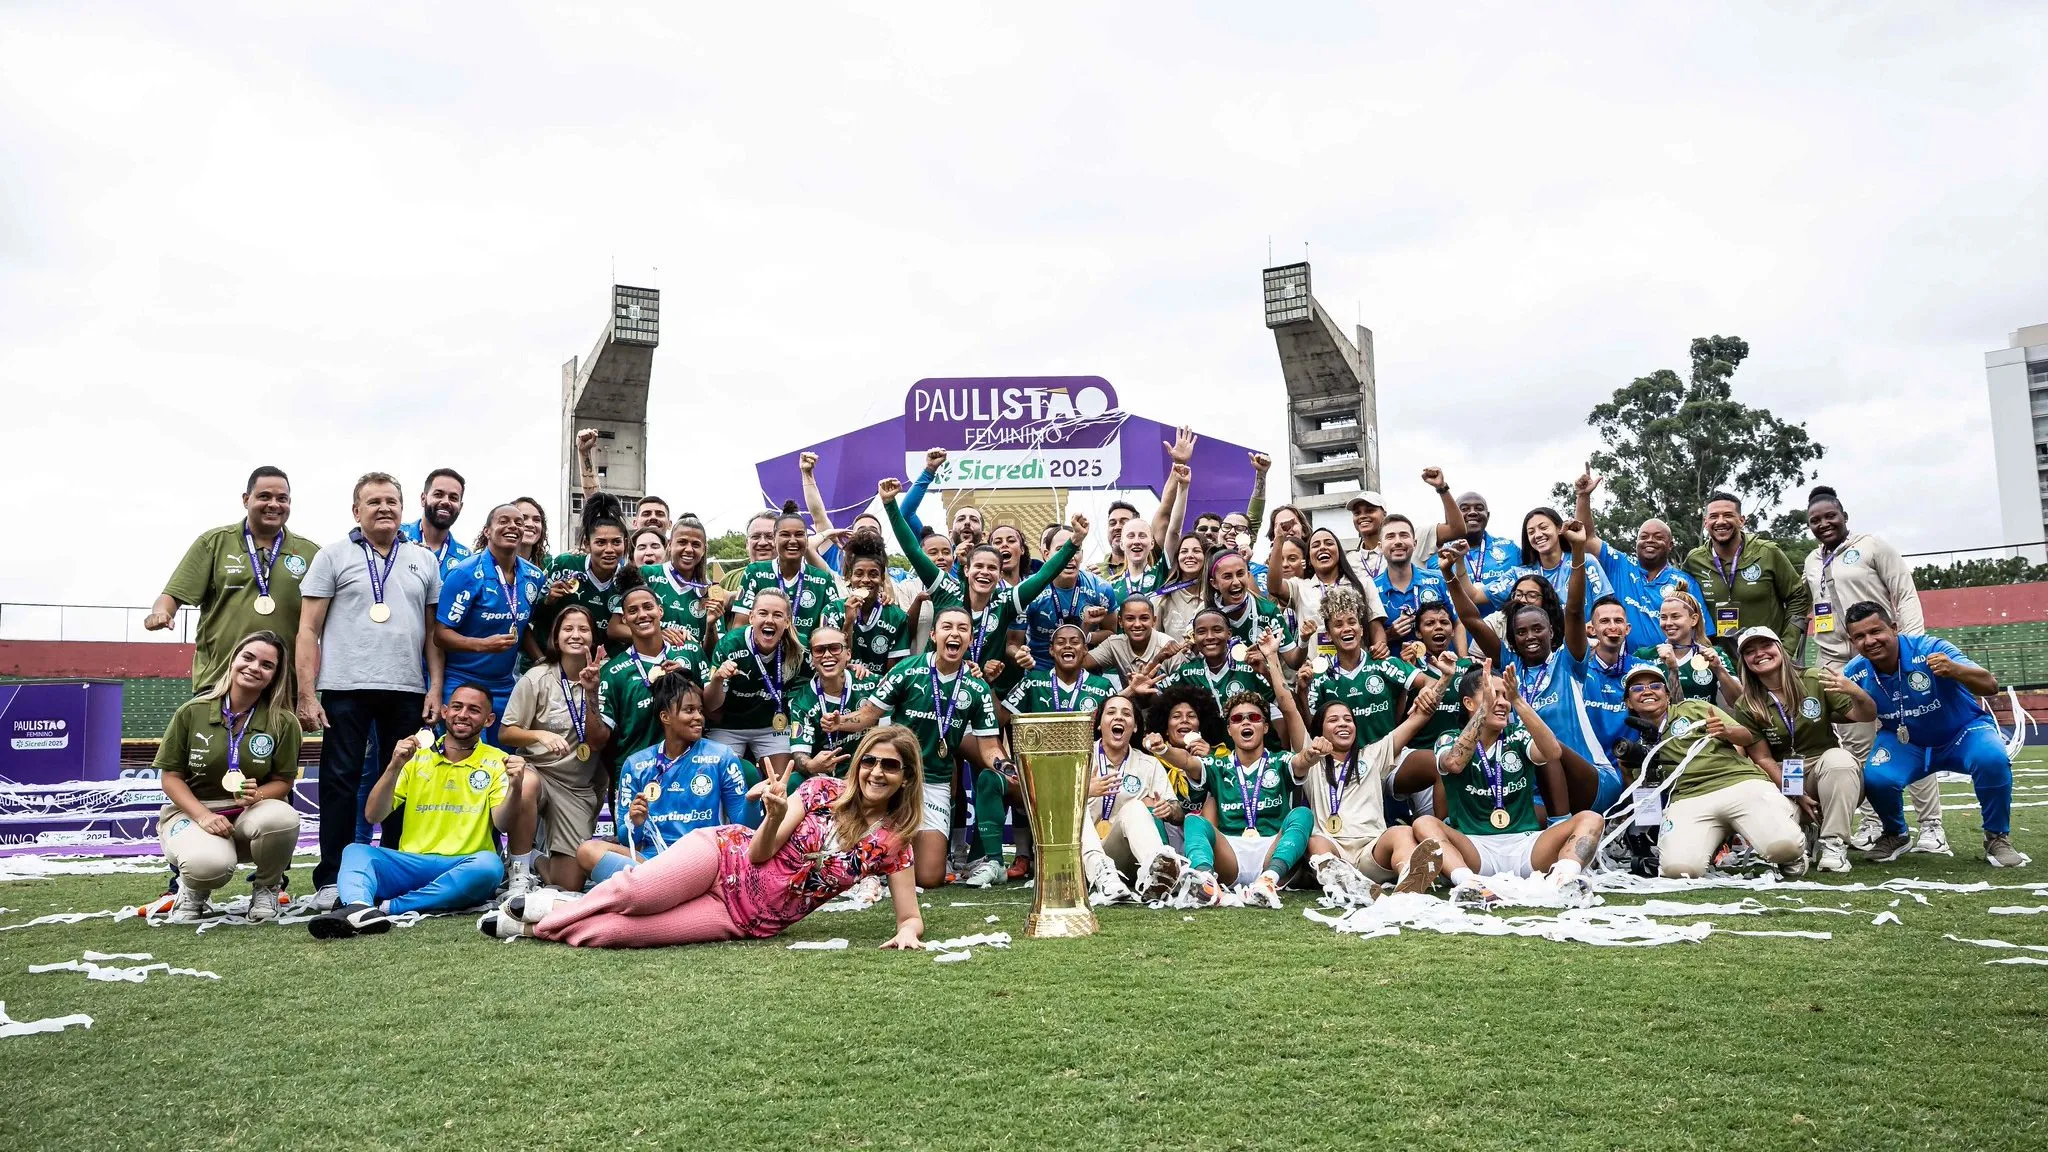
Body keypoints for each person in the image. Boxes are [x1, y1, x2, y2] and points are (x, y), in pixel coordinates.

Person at [489, 727, 926, 950]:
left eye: (890, 766)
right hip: (723, 855)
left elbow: (910, 915)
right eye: (870, 761)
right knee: (637, 893)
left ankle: (533, 925)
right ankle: (551, 907)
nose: (876, 772)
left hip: (747, 919)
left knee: (615, 935)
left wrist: (908, 931)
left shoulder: (893, 844)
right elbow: (760, 853)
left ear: (906, 778)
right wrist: (772, 817)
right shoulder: (820, 791)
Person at [295, 473, 444, 909]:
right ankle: (332, 877)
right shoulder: (333, 555)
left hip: (406, 688)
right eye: (374, 501)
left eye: (392, 501)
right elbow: (307, 629)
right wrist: (307, 692)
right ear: (355, 511)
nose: (384, 508)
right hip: (346, 686)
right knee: (339, 781)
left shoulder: (423, 559)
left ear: (403, 508)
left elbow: (433, 634)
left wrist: (434, 687)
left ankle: (392, 869)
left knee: (401, 780)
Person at [309, 684, 523, 938]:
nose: (463, 714)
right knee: (355, 851)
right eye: (457, 707)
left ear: (488, 720)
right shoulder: (416, 756)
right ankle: (358, 905)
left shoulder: (496, 760)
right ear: (444, 712)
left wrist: (516, 787)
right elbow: (373, 815)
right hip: (410, 864)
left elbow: (503, 824)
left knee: (489, 867)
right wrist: (394, 765)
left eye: (474, 710)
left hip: (464, 863)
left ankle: (386, 907)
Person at [1803, 485, 1945, 853]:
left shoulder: (1872, 546)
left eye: (1830, 516)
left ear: (1844, 516)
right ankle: (1874, 823)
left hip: (1884, 656)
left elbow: (1905, 594)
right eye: (1815, 520)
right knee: (1856, 745)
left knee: (1908, 736)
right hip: (1837, 662)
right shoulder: (1811, 561)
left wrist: (1911, 648)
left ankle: (1931, 827)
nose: (1824, 523)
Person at [830, 606, 1005, 888]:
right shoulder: (907, 670)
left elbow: (988, 746)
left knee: (930, 878)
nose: (955, 633)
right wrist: (841, 721)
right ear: (934, 634)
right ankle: (879, 850)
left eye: (963, 629)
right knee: (861, 864)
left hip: (935, 782)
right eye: (947, 627)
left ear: (971, 640)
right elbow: (870, 714)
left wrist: (1003, 765)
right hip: (895, 779)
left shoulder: (976, 687)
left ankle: (897, 856)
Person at [1843, 603, 2028, 867]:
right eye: (1859, 637)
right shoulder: (1855, 672)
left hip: (1962, 733)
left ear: (1894, 628)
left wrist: (1955, 670)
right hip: (1906, 741)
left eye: (1876, 631)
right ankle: (1896, 834)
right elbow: (1839, 711)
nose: (1869, 641)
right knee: (1875, 776)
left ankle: (1997, 836)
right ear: (1852, 641)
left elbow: (1990, 685)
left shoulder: (1931, 649)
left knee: (1992, 758)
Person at [1445, 532, 1614, 814]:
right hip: (1536, 788)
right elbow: (1472, 620)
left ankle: (1562, 822)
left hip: (1589, 780)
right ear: (1512, 637)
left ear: (1550, 630)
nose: (1530, 636)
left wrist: (1578, 549)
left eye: (1537, 629)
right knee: (1518, 818)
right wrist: (1449, 574)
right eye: (1521, 632)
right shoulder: (1510, 664)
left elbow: (1573, 611)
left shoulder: (1568, 660)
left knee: (1544, 739)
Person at [1411, 666, 1607, 902]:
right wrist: (1484, 711)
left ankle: (1563, 880)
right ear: (1468, 703)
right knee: (1424, 823)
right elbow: (1454, 763)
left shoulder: (1517, 735)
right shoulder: (1449, 737)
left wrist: (1519, 701)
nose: (1502, 702)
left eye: (1506, 696)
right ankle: (1468, 884)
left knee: (1591, 819)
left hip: (1526, 846)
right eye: (1493, 695)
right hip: (1475, 847)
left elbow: (1552, 752)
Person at [882, 477, 1087, 699]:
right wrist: (890, 504)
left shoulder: (1007, 600)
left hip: (977, 693)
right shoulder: (945, 588)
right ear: (966, 569)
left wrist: (1074, 542)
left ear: (1000, 574)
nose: (984, 572)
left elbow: (1045, 575)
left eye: (992, 568)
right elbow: (913, 549)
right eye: (978, 566)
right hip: (933, 690)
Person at [153, 632, 303, 921]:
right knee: (209, 865)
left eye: (266, 665)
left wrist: (257, 795)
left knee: (282, 817)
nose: (254, 667)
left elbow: (284, 782)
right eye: (248, 657)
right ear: (233, 660)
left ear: (275, 676)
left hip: (250, 812)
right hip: (196, 812)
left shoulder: (284, 722)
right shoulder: (192, 712)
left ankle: (267, 887)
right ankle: (193, 888)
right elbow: (171, 777)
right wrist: (203, 816)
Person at [1617, 663, 1807, 879]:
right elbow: (1644, 794)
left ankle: (1787, 826)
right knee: (1679, 870)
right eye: (1637, 688)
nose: (1648, 691)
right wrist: (1627, 768)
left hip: (1737, 783)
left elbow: (1746, 736)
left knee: (1783, 847)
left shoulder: (1693, 708)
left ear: (1668, 694)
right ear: (1628, 703)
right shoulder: (1635, 745)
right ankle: (1717, 839)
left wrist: (1726, 731)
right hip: (1689, 798)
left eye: (1655, 685)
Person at [147, 466, 323, 690]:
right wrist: (161, 613)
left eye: (282, 498)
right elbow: (171, 596)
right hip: (218, 681)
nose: (274, 504)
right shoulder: (214, 542)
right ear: (246, 499)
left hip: (282, 687)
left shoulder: (312, 553)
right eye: (264, 496)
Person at [1178, 635, 1315, 908]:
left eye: (1254, 718)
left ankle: (1268, 882)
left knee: (1302, 814)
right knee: (1194, 822)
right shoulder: (1219, 764)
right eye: (1237, 719)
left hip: (1272, 851)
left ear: (1265, 726)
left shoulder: (1280, 760)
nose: (1246, 723)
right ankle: (1206, 882)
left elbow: (1299, 759)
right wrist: (1161, 750)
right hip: (1232, 853)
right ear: (1229, 729)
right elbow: (1189, 763)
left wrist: (1310, 756)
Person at [578, 675, 754, 888]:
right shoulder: (636, 765)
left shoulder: (721, 756)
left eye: (700, 710)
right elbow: (626, 840)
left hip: (703, 860)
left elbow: (745, 828)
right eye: (689, 710)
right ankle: (662, 890)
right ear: (665, 717)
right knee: (587, 852)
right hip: (653, 861)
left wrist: (753, 801)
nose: (698, 717)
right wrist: (636, 822)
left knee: (634, 881)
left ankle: (648, 891)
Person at [1726, 627, 1876, 873]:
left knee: (1840, 760)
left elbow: (1865, 714)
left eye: (1766, 646)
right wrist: (1794, 793)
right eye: (1750, 651)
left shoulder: (1815, 679)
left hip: (1823, 769)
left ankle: (1833, 845)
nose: (1759, 654)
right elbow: (1762, 757)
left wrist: (1855, 692)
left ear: (1780, 649)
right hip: (1781, 774)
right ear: (1744, 662)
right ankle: (1802, 835)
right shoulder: (1747, 703)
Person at [1294, 689, 1448, 907]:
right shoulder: (1310, 759)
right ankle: (1345, 883)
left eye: (1348, 719)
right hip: (1333, 849)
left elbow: (1418, 718)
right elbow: (1289, 709)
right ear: (1319, 730)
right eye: (1333, 720)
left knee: (1401, 832)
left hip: (1372, 850)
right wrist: (1272, 661)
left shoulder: (1373, 755)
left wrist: (1444, 679)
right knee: (1314, 841)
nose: (1343, 724)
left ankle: (1409, 878)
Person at [499, 603, 611, 892]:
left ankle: (535, 860)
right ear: (556, 637)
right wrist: (538, 735)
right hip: (540, 771)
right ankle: (519, 872)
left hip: (576, 785)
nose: (576, 635)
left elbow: (597, 741)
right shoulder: (537, 677)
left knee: (568, 884)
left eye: (583, 629)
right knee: (524, 782)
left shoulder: (605, 678)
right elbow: (506, 732)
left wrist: (592, 692)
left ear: (593, 637)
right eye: (568, 629)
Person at [1572, 467, 1707, 652]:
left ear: (1670, 545)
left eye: (1658, 537)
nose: (1649, 540)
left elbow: (1702, 633)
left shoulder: (1685, 582)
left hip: (1670, 666)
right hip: (1624, 668)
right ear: (1636, 542)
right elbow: (1587, 538)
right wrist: (1583, 496)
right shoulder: (1620, 564)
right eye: (1643, 536)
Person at [1082, 695, 1188, 902]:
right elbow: (1052, 808)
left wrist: (1169, 809)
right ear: (1098, 724)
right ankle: (1102, 875)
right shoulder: (1079, 758)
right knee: (1073, 806)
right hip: (1079, 859)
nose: (1119, 718)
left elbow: (1177, 812)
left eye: (1126, 714)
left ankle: (1159, 873)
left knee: (1135, 807)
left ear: (1136, 727)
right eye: (1111, 712)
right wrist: (1085, 791)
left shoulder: (1148, 764)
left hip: (1121, 857)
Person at [1682, 491, 1811, 660]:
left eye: (1728, 515)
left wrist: (1786, 646)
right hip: (1718, 664)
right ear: (1706, 522)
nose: (1721, 521)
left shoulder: (1767, 553)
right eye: (1714, 516)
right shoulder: (1694, 560)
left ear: (1741, 520)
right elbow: (1683, 604)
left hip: (1766, 660)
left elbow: (1798, 596)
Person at [597, 576, 705, 771]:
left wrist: (687, 682)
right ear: (624, 619)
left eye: (648, 607)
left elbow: (714, 711)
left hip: (690, 768)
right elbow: (598, 741)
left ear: (660, 611)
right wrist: (589, 692)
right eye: (632, 611)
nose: (642, 615)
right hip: (638, 772)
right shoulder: (612, 672)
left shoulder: (690, 651)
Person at [705, 587, 805, 777]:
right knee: (722, 778)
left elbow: (826, 659)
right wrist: (718, 679)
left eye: (777, 615)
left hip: (770, 726)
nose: (769, 620)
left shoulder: (798, 646)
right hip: (728, 726)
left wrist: (851, 667)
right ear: (751, 617)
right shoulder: (730, 644)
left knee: (782, 782)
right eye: (762, 613)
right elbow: (710, 705)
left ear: (787, 621)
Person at [1278, 527, 1387, 662]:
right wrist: (1278, 540)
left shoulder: (1363, 583)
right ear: (1309, 559)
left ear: (1339, 552)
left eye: (1329, 543)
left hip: (1358, 670)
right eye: (1315, 545)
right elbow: (1274, 587)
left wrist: (1380, 648)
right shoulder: (1300, 587)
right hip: (1316, 672)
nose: (1322, 548)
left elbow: (1375, 626)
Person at [730, 508, 837, 646]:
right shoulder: (754, 572)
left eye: (799, 535)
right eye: (785, 535)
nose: (792, 541)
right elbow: (740, 627)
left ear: (806, 539)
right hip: (763, 658)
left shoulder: (823, 579)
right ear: (774, 539)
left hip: (807, 660)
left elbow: (832, 633)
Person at [787, 625, 875, 779]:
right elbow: (800, 755)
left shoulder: (870, 683)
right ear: (812, 658)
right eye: (819, 650)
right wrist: (811, 765)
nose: (827, 655)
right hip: (827, 779)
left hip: (870, 774)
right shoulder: (801, 703)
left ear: (848, 654)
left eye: (834, 648)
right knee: (794, 780)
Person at [827, 533, 911, 677]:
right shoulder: (833, 610)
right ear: (849, 577)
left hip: (877, 690)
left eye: (873, 574)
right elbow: (832, 661)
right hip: (840, 685)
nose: (865, 580)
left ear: (882, 578)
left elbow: (892, 674)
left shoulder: (897, 616)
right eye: (859, 574)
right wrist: (848, 622)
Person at [540, 509, 629, 643]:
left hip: (604, 660)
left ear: (625, 543)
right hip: (553, 656)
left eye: (616, 542)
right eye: (600, 542)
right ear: (587, 545)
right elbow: (530, 613)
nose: (609, 549)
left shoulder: (629, 580)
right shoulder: (564, 564)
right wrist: (548, 600)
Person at [1637, 589, 1739, 703]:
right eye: (1663, 617)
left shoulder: (1714, 655)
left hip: (1706, 720)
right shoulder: (1644, 656)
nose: (1668, 623)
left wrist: (1719, 670)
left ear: (1694, 619)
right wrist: (1672, 669)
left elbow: (1738, 703)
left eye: (1675, 616)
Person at [642, 514, 730, 644]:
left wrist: (711, 627)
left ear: (704, 550)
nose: (689, 549)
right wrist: (657, 634)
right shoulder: (648, 574)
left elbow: (712, 655)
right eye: (682, 542)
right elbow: (616, 628)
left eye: (696, 544)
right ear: (670, 544)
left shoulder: (711, 592)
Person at [1372, 514, 1451, 650]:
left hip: (1439, 668)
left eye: (1404, 535)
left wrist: (1462, 660)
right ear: (1380, 547)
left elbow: (1458, 622)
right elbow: (1366, 640)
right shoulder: (1371, 589)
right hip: (1394, 669)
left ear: (1415, 544)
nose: (1398, 541)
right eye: (1390, 536)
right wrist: (1390, 634)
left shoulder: (1438, 580)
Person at [1517, 506, 1612, 611]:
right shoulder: (1522, 574)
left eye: (1544, 528)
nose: (1538, 535)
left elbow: (1606, 604)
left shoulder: (1586, 561)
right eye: (1531, 532)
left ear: (1559, 529)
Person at [1447, 488, 1524, 614]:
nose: (1472, 513)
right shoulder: (1441, 556)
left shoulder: (1510, 549)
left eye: (1479, 508)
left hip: (1505, 631)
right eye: (1464, 509)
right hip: (1460, 632)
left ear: (1487, 515)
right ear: (1453, 516)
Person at [1087, 595, 1180, 690]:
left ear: (1154, 621)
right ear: (1120, 622)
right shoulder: (1114, 644)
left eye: (1144, 618)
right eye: (1130, 619)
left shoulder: (1167, 646)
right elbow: (1081, 663)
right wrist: (1086, 624)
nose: (1137, 624)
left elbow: (1185, 688)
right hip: (1129, 702)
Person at [399, 467, 471, 576]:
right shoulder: (396, 535)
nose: (446, 502)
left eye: (453, 498)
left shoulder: (466, 559)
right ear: (423, 499)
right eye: (438, 494)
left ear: (460, 507)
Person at [1157, 534, 1210, 640]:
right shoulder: (1164, 598)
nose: (1190, 555)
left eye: (1196, 551)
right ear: (1177, 558)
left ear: (1206, 556)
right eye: (1184, 551)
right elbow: (1155, 640)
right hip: (1174, 656)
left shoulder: (1216, 594)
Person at [717, 512, 778, 593]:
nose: (762, 542)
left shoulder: (794, 580)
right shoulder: (730, 579)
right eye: (755, 536)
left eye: (770, 537)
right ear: (747, 543)